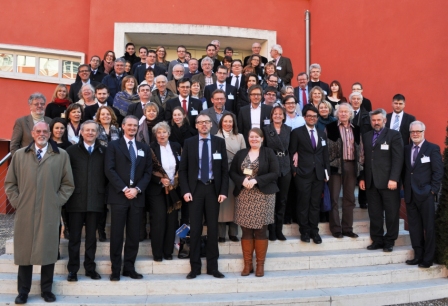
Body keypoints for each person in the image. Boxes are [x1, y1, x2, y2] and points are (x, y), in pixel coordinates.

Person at [5, 121, 74, 304]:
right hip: (25, 210)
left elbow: (68, 184)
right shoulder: (20, 155)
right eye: (38, 131)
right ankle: (23, 292)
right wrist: (18, 202)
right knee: (24, 252)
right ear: (33, 133)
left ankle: (46, 290)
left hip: (49, 210)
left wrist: (56, 201)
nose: (42, 134)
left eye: (45, 131)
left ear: (50, 134)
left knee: (48, 250)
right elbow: (10, 184)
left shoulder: (61, 155)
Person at [179, 114, 229, 279]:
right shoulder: (189, 143)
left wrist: (223, 191)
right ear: (196, 125)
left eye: (207, 122)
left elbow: (223, 170)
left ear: (211, 125)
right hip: (195, 190)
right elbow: (183, 169)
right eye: (201, 122)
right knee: (195, 230)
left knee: (213, 229)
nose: (204, 125)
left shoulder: (219, 142)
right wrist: (185, 190)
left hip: (213, 190)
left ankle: (213, 267)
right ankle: (195, 267)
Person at [104, 115, 152, 281]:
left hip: (137, 197)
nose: (132, 128)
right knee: (117, 235)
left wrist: (137, 189)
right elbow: (109, 170)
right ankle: (115, 269)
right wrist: (125, 189)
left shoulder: (143, 148)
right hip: (119, 196)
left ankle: (129, 268)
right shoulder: (113, 146)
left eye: (134, 126)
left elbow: (147, 172)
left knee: (133, 236)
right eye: (129, 125)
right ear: (123, 126)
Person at [229, 128, 279, 277]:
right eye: (251, 137)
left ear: (262, 139)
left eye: (257, 137)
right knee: (246, 230)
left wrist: (256, 180)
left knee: (261, 230)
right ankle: (248, 264)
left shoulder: (268, 153)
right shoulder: (241, 154)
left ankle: (260, 265)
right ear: (248, 139)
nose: (254, 139)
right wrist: (242, 180)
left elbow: (275, 173)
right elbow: (232, 172)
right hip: (245, 196)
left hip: (263, 196)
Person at [65, 120, 107, 282]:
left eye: (93, 130)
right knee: (74, 238)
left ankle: (90, 268)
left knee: (91, 238)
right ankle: (73, 270)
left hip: (96, 200)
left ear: (97, 133)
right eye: (87, 130)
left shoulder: (104, 151)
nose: (90, 133)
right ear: (81, 132)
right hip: (76, 200)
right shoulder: (71, 151)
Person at [359, 108, 404, 252]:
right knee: (374, 213)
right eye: (373, 120)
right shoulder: (366, 136)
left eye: (379, 120)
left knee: (391, 213)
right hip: (371, 182)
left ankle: (390, 240)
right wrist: (362, 178)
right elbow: (363, 159)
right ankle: (377, 239)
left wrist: (394, 179)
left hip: (389, 182)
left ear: (385, 120)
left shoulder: (394, 135)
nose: (376, 122)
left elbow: (398, 159)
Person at [403, 121, 443, 268]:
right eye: (412, 131)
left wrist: (432, 190)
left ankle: (428, 258)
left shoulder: (432, 148)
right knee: (414, 228)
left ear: (423, 132)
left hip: (426, 195)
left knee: (429, 227)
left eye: (418, 131)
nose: (415, 134)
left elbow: (438, 171)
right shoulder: (406, 149)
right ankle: (418, 256)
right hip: (410, 195)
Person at [289, 104, 330, 244]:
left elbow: (325, 155)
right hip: (302, 174)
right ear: (305, 117)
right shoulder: (297, 132)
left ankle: (314, 231)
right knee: (303, 203)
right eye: (309, 116)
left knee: (315, 204)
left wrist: (326, 173)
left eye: (314, 116)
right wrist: (294, 171)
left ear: (317, 118)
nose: (312, 118)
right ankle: (304, 231)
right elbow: (291, 152)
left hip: (318, 174)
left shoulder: (321, 133)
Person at [147, 122, 182, 261]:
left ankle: (168, 252)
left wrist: (176, 180)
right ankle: (157, 253)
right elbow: (147, 170)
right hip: (157, 190)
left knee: (172, 221)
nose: (162, 135)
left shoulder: (176, 146)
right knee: (159, 221)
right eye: (159, 132)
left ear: (169, 133)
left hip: (173, 190)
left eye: (164, 132)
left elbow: (181, 166)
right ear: (155, 135)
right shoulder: (150, 148)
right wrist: (159, 180)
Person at [326, 103, 362, 239]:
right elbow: (326, 149)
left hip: (351, 166)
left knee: (349, 198)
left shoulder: (357, 129)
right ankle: (336, 229)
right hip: (335, 166)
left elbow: (361, 149)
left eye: (346, 112)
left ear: (350, 114)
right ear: (337, 114)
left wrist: (360, 166)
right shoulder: (330, 128)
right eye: (340, 112)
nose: (343, 114)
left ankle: (347, 228)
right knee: (334, 198)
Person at [262, 106, 292, 241]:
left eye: (280, 114)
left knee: (282, 200)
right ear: (271, 116)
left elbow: (292, 148)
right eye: (275, 114)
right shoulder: (266, 130)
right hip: (272, 166)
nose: (278, 116)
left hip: (285, 165)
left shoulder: (288, 130)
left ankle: (279, 230)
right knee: (271, 200)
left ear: (284, 116)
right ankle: (272, 230)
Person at [216, 113, 246, 242]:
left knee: (235, 203)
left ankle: (233, 233)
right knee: (222, 204)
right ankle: (221, 234)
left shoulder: (240, 137)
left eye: (230, 121)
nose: (228, 124)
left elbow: (245, 155)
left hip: (236, 173)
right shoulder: (214, 137)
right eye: (225, 121)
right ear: (221, 123)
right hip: (221, 173)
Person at [94, 106, 121, 242]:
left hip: (115, 167)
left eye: (108, 114)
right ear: (99, 116)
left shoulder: (118, 130)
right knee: (101, 201)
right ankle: (101, 230)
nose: (105, 116)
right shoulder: (95, 129)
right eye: (103, 114)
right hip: (99, 166)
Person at [49, 118, 71, 245]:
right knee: (52, 218)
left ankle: (67, 228)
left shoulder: (69, 146)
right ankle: (53, 248)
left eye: (62, 128)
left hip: (64, 182)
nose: (59, 130)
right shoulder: (46, 144)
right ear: (51, 129)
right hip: (50, 181)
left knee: (65, 209)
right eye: (56, 128)